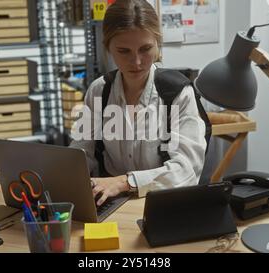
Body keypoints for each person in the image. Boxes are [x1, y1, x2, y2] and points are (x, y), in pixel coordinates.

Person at [70, 0, 206, 206]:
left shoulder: (178, 94)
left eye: (145, 49)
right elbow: (81, 153)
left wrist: (125, 182)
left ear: (157, 43)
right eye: (124, 51)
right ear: (108, 47)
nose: (137, 62)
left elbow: (187, 169)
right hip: (109, 204)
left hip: (163, 205)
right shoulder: (99, 91)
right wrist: (61, 175)